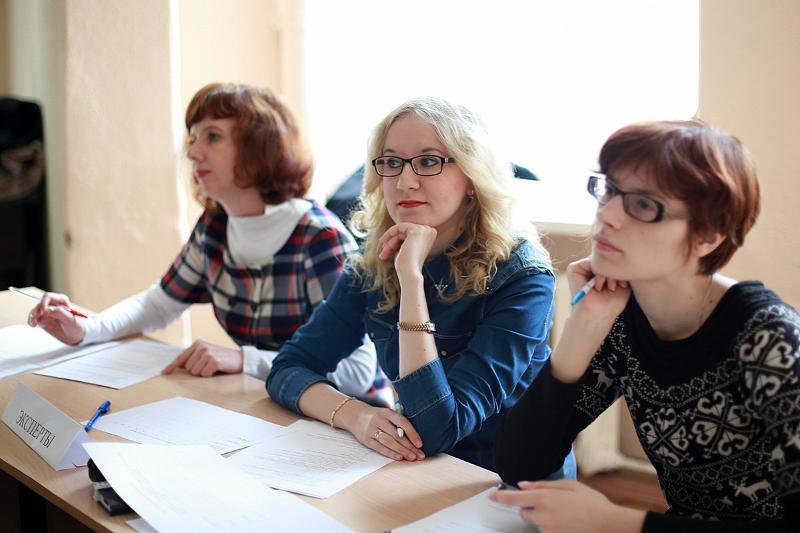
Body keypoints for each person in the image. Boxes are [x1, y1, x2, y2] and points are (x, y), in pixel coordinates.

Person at [491, 120, 800, 531]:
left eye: (643, 205)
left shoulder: (770, 339)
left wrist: (616, 522)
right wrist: (583, 325)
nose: (607, 215)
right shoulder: (623, 317)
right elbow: (520, 465)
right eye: (609, 190)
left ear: (707, 235)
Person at [266, 96, 575, 476]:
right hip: (416, 470)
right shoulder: (373, 261)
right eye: (392, 162)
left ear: (473, 178)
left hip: (507, 481)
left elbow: (437, 429)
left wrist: (410, 280)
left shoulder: (522, 276)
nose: (404, 182)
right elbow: (288, 369)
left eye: (428, 162)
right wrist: (355, 415)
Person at [27, 83, 383, 399]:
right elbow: (159, 304)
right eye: (193, 138)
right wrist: (86, 328)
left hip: (347, 418)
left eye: (212, 136)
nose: (193, 152)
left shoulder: (320, 239)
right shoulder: (215, 225)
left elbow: (357, 374)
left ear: (260, 147)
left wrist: (245, 360)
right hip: (271, 402)